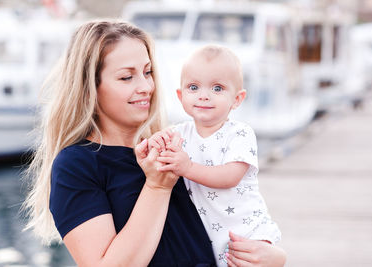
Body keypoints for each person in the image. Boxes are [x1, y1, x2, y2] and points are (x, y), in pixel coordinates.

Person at [22, 19, 286, 266]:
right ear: (90, 87)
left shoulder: (170, 145)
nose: (146, 87)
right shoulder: (77, 165)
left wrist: (273, 257)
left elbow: (232, 212)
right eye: (127, 77)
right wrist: (158, 187)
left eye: (148, 72)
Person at [149, 45, 281, 266]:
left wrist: (188, 168)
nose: (204, 96)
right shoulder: (179, 133)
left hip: (247, 230)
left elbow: (230, 176)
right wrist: (155, 143)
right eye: (193, 87)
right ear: (181, 96)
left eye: (217, 88)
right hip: (210, 236)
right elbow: (159, 145)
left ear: (237, 99)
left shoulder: (239, 133)